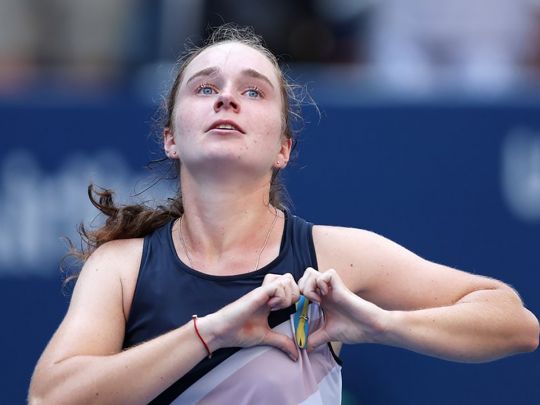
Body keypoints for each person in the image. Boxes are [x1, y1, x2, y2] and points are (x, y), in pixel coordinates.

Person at [28, 25, 539, 404]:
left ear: (283, 148)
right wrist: (212, 333)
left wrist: (381, 325)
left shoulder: (334, 255)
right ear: (170, 138)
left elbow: (515, 322)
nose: (227, 98)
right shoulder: (122, 267)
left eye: (253, 91)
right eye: (205, 88)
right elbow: (49, 398)